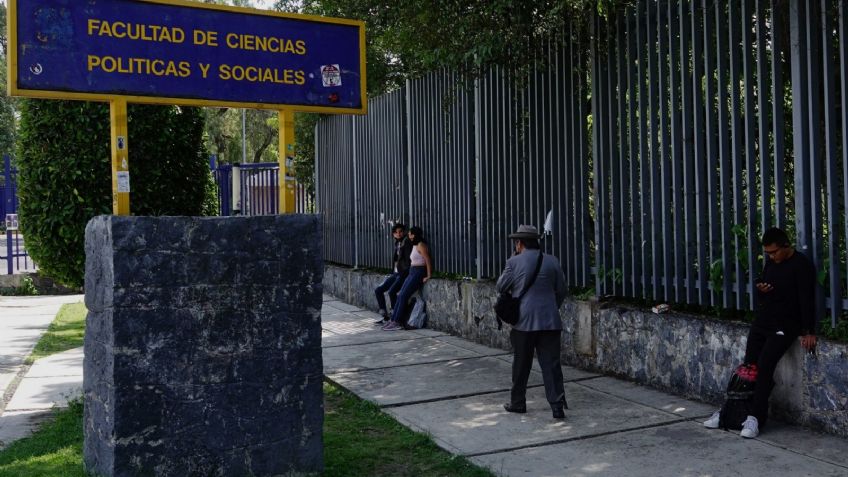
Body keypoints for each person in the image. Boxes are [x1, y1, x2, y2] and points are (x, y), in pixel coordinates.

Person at [704, 227, 817, 438]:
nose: (771, 257)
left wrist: (809, 331)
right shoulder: (771, 264)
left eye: (774, 252)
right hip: (764, 321)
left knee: (764, 367)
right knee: (748, 368)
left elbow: (806, 299)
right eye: (768, 253)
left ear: (786, 246)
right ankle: (730, 413)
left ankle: (755, 418)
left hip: (785, 326)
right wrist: (762, 291)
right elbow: (765, 298)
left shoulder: (801, 266)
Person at [497, 224, 568, 419]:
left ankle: (518, 402)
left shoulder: (514, 262)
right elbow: (562, 290)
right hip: (550, 321)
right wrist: (552, 308)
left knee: (521, 363)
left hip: (524, 322)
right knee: (551, 364)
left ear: (519, 243)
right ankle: (557, 406)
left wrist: (513, 261)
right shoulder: (553, 261)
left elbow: (501, 286)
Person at [382, 226, 432, 331]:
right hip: (412, 271)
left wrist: (428, 275)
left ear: (414, 234)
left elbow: (428, 260)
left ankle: (397, 322)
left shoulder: (421, 245)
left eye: (410, 234)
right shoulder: (414, 245)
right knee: (400, 295)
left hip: (419, 271)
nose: (408, 235)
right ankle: (393, 320)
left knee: (404, 295)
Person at [373, 223, 413, 326]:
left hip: (403, 274)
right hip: (395, 274)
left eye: (400, 232)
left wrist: (405, 273)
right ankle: (385, 316)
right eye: (396, 232)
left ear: (404, 232)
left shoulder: (406, 242)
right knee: (378, 290)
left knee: (391, 292)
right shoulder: (397, 243)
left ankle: (396, 318)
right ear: (393, 234)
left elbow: (409, 260)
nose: (398, 234)